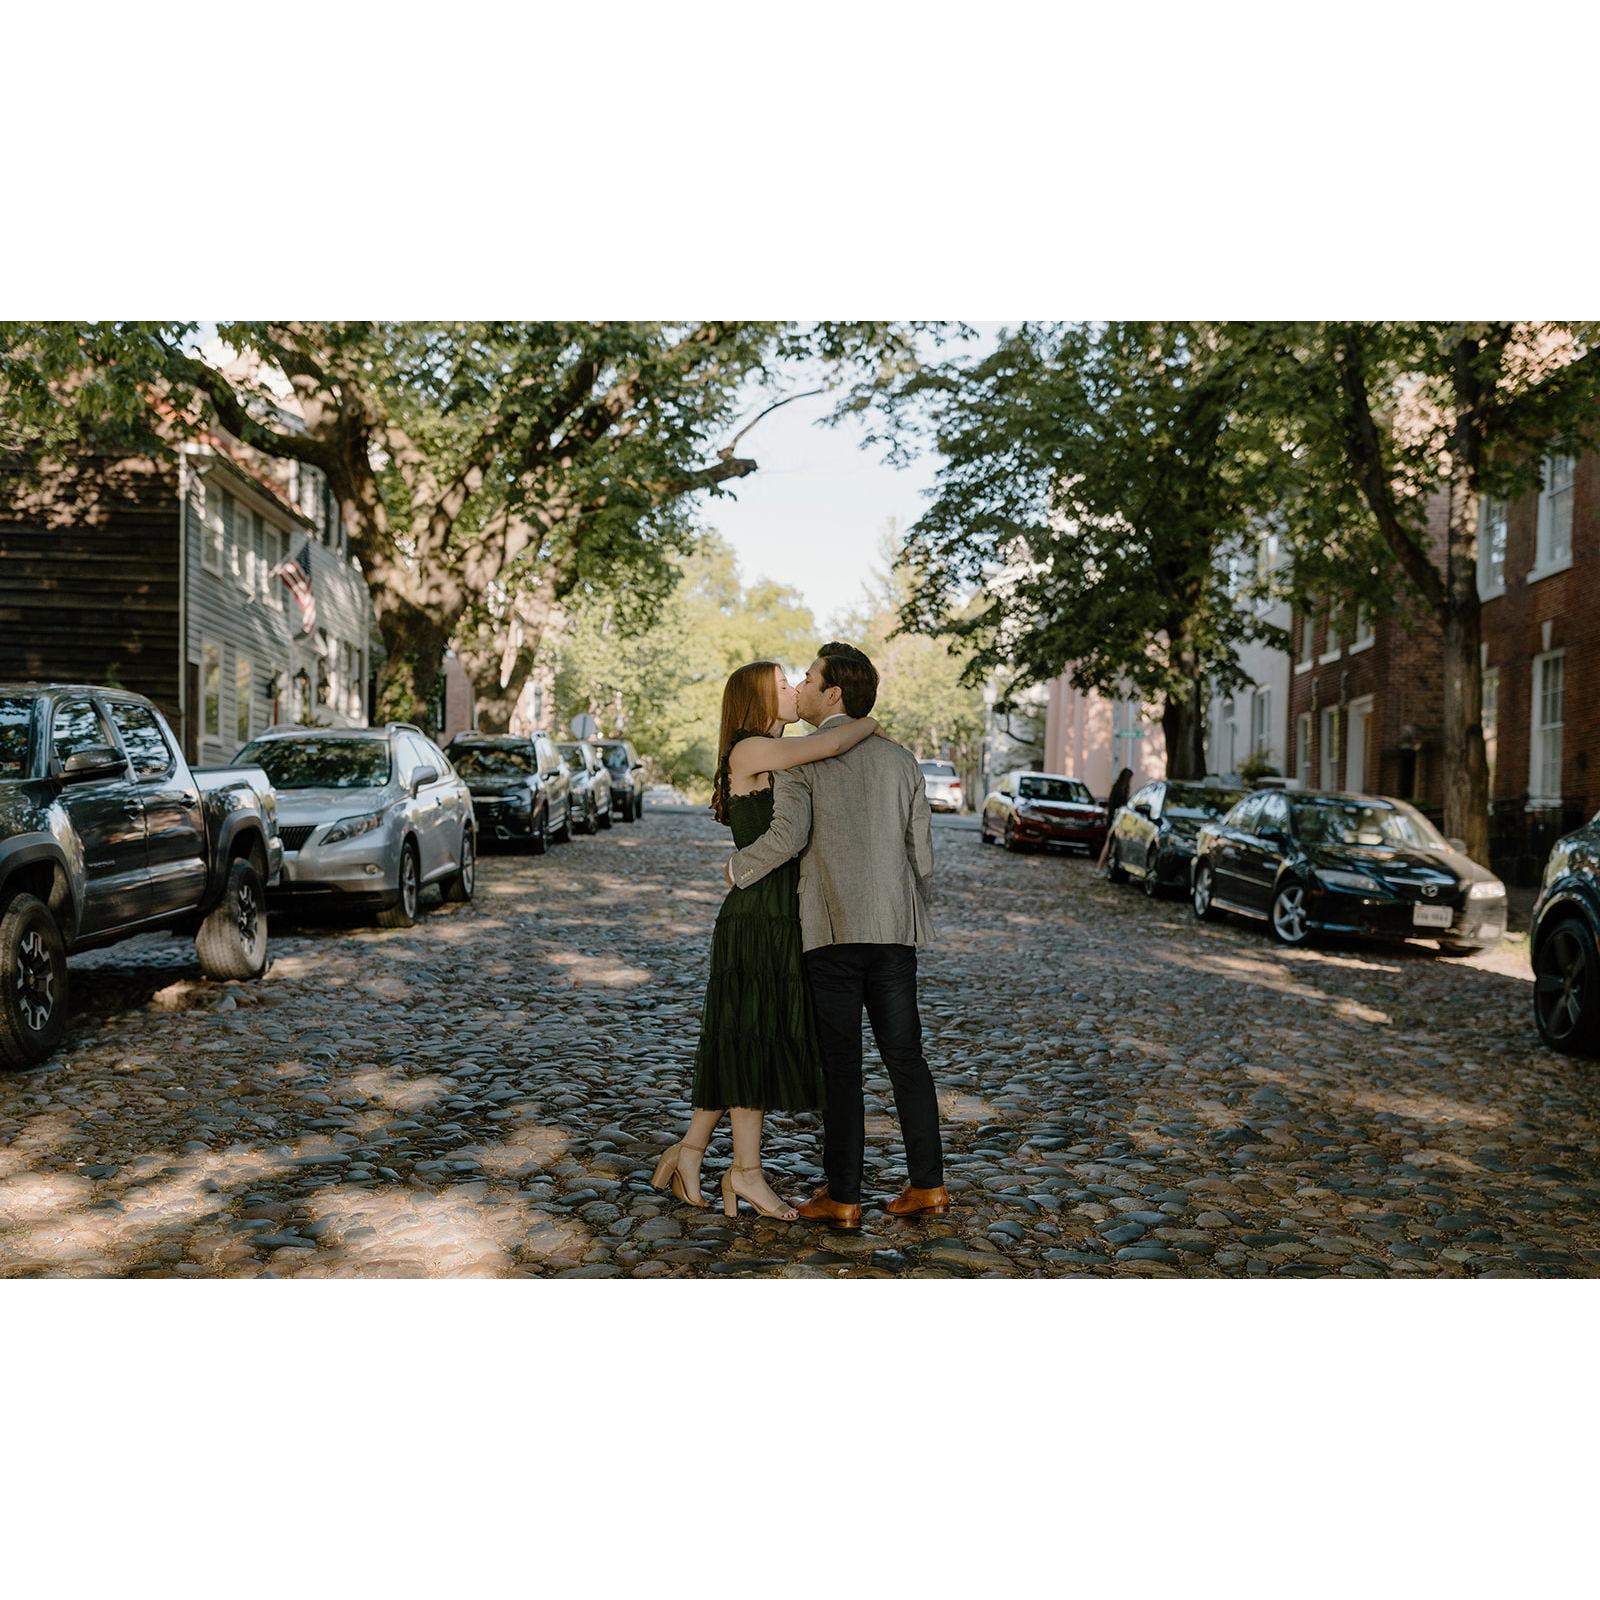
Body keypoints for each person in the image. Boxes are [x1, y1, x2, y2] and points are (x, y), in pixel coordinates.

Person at [723, 642, 945, 1231]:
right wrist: (905, 898)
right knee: (907, 1059)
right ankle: (928, 1185)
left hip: (831, 930)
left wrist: (740, 867)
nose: (803, 684)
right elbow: (922, 853)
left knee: (842, 1066)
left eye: (810, 678)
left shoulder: (804, 761)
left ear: (833, 694)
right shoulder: (902, 761)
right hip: (895, 931)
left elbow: (790, 836)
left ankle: (843, 1196)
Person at [651, 660, 882, 1221]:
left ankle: (690, 1153)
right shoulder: (749, 749)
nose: (791, 689)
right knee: (751, 1036)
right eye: (781, 684)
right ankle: (746, 1174)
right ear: (757, 699)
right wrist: (870, 723)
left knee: (742, 1035)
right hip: (757, 912)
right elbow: (830, 748)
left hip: (781, 912)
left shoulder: (770, 749)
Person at [1097, 765, 1135, 869]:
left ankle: (1102, 866)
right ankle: (1100, 866)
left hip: (1114, 818)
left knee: (1110, 843)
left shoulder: (1117, 787)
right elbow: (1119, 804)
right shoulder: (1121, 789)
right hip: (1115, 819)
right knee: (1109, 843)